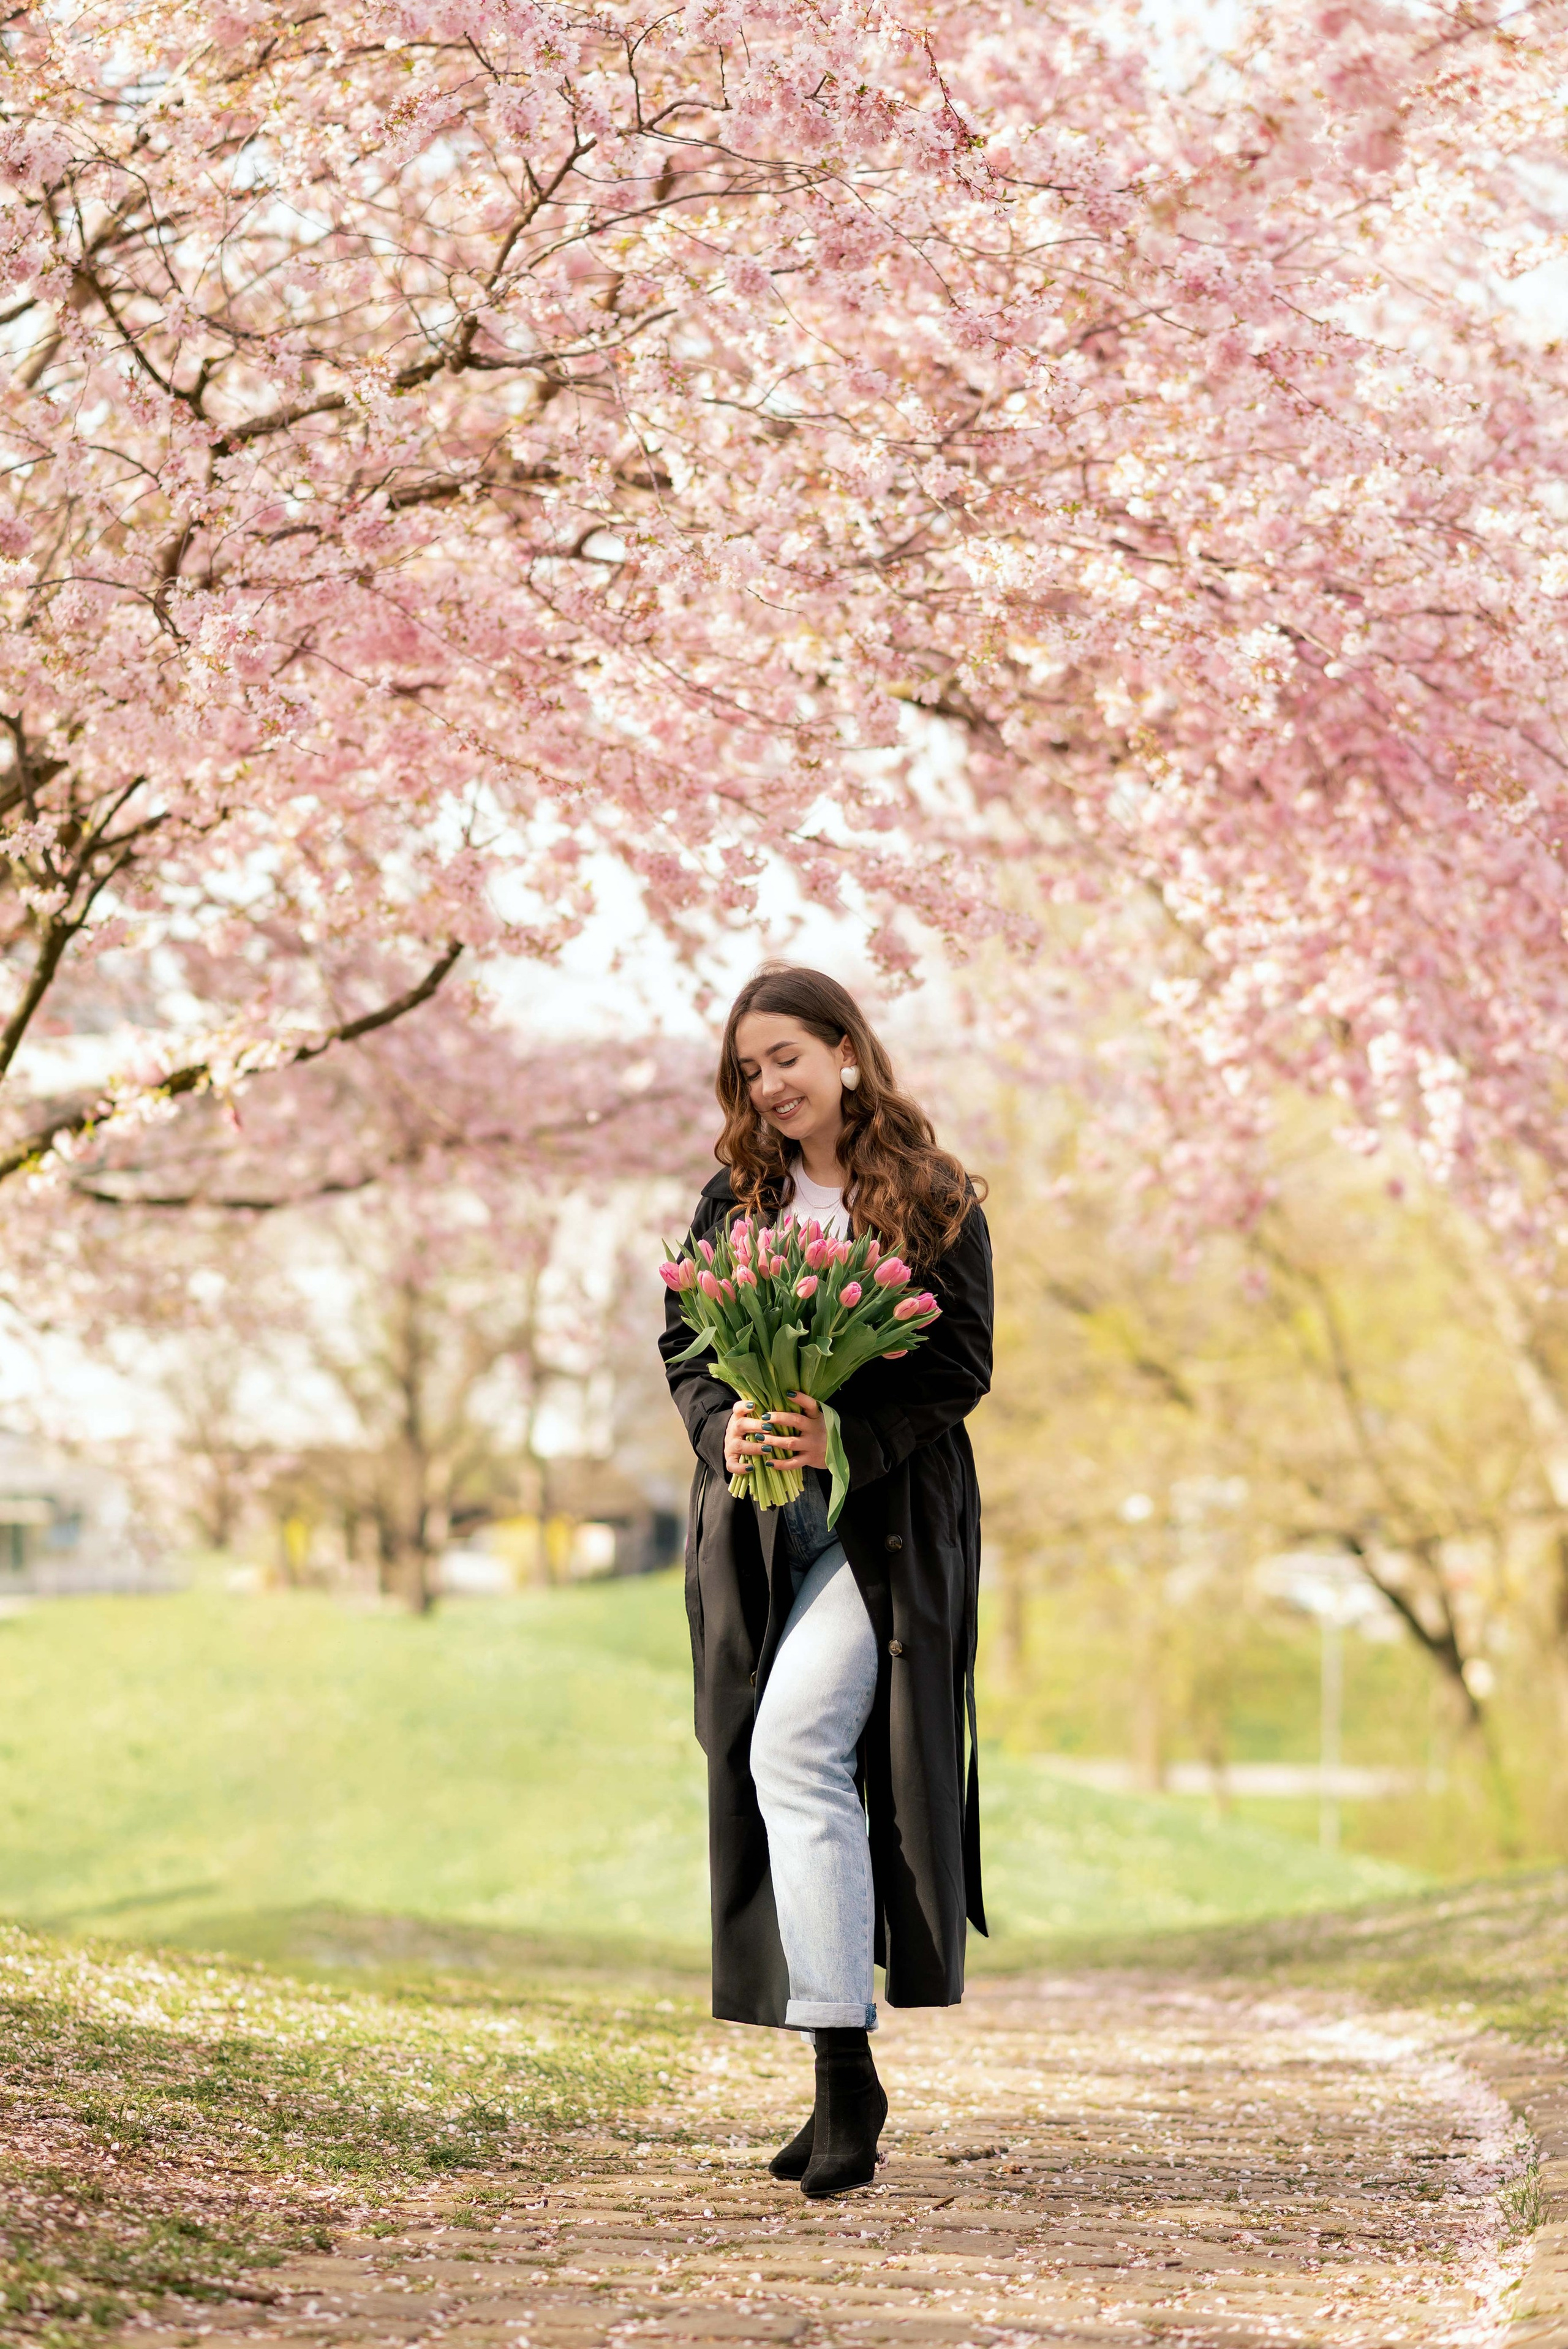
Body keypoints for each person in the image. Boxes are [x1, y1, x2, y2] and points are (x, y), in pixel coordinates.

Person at [659, 964, 993, 2199]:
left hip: (881, 1528)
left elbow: (960, 1364)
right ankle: (836, 2069)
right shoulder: (733, 1197)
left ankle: (844, 2077)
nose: (768, 1083)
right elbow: (685, 1348)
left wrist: (840, 1432)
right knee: (769, 1763)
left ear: (846, 1050)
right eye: (749, 1067)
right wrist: (726, 1432)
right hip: (754, 1536)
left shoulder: (929, 1193)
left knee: (795, 1748)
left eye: (786, 1055)